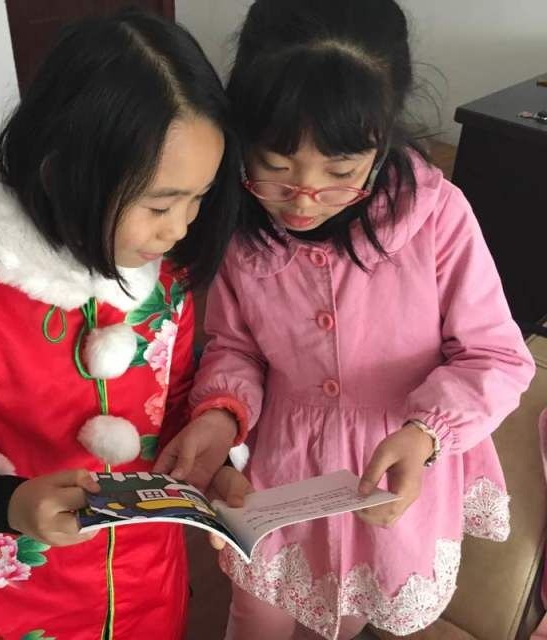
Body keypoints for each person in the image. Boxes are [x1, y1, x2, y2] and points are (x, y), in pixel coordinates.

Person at [155, 1, 536, 637]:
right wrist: (221, 416)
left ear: (382, 140)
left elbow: (494, 357)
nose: (304, 198)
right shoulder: (243, 228)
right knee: (257, 609)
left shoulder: (437, 217)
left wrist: (427, 433)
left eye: (340, 172)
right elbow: (235, 347)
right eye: (275, 166)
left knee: (360, 604)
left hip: (393, 469)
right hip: (280, 473)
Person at [0, 9, 242, 639]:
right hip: (10, 610)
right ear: (64, 170)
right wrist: (10, 503)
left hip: (150, 588)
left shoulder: (164, 280)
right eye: (160, 205)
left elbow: (174, 397)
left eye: (198, 199)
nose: (179, 228)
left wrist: (207, 453)